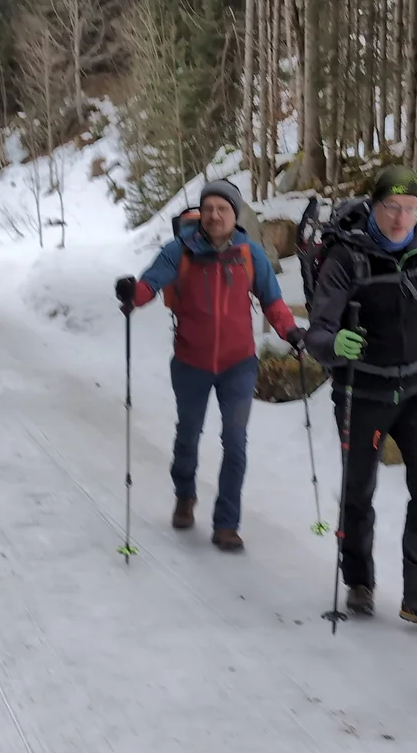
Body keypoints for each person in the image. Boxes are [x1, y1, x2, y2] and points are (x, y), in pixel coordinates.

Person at [302, 167, 417, 634]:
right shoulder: (347, 256)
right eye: (392, 207)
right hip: (364, 390)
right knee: (360, 489)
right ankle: (358, 579)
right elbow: (319, 329)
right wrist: (334, 345)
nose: (401, 218)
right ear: (375, 206)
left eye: (411, 208)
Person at [115, 178, 304, 552]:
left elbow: (273, 302)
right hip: (191, 363)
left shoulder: (250, 254)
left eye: (224, 209)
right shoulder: (179, 250)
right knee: (188, 434)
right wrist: (130, 294)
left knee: (235, 442)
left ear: (235, 215)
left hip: (239, 364)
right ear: (201, 213)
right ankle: (185, 494)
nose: (215, 215)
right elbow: (149, 285)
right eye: (209, 208)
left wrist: (292, 333)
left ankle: (226, 523)